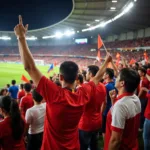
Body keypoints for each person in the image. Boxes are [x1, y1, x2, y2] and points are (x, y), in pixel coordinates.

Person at [14, 15, 112, 150]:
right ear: (77, 77)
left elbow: (29, 67)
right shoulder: (83, 94)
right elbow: (96, 79)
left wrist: (21, 37)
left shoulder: (54, 94)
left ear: (60, 77)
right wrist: (106, 62)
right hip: (73, 146)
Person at [104, 68, 141, 150]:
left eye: (117, 77)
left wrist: (116, 104)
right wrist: (114, 101)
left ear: (122, 83)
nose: (115, 78)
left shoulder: (120, 105)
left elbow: (115, 140)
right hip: (131, 145)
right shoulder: (135, 98)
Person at [78, 65, 106, 150]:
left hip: (85, 123)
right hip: (97, 121)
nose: (86, 74)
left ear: (90, 74)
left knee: (83, 146)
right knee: (94, 145)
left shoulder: (85, 88)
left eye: (87, 72)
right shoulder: (103, 86)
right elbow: (104, 103)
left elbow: (80, 107)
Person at [101, 68, 115, 138]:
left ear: (107, 75)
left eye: (104, 73)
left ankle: (106, 146)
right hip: (112, 109)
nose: (103, 75)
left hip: (106, 111)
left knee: (104, 130)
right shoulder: (115, 83)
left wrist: (101, 112)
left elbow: (104, 101)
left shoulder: (105, 86)